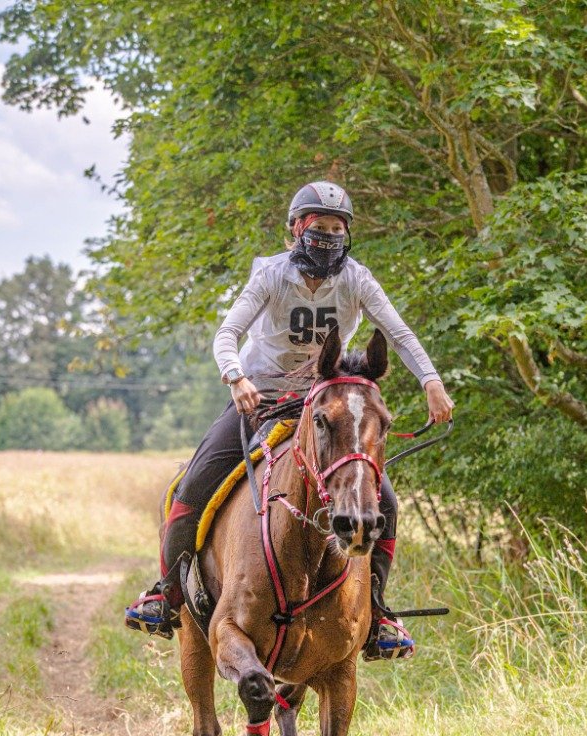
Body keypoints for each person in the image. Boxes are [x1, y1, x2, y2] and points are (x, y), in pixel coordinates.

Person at [125, 181, 454, 659]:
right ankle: (167, 594)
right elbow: (228, 332)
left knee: (383, 499)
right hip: (259, 400)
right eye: (318, 227)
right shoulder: (272, 276)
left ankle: (379, 614)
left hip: (325, 404)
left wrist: (431, 380)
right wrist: (235, 377)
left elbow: (398, 333)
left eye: (336, 228)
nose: (327, 236)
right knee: (193, 485)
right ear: (297, 229)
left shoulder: (358, 280)